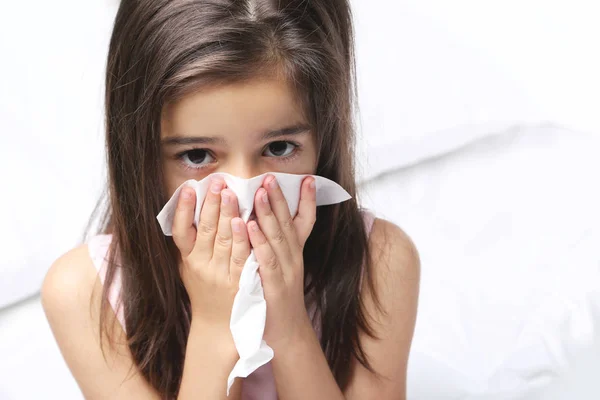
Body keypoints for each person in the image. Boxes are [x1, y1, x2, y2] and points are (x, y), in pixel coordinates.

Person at [41, 0, 420, 398]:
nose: (244, 192)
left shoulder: (381, 263)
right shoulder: (85, 292)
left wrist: (288, 327)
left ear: (324, 139)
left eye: (278, 147)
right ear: (139, 155)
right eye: (197, 156)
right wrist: (216, 327)